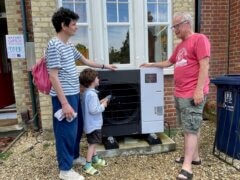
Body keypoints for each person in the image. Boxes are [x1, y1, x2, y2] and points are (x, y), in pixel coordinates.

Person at [46, 7, 116, 180]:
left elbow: (85, 61)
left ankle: (75, 156)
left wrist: (105, 66)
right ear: (64, 25)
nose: (77, 27)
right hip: (63, 97)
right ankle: (65, 169)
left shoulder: (69, 45)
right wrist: (64, 103)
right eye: (74, 24)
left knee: (76, 130)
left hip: (75, 95)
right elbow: (53, 77)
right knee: (65, 132)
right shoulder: (54, 45)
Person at [140, 12, 210, 180]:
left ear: (186, 24)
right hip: (180, 93)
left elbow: (205, 65)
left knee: (190, 128)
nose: (174, 30)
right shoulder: (180, 47)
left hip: (192, 93)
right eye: (173, 27)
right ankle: (195, 157)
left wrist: (199, 90)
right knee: (190, 126)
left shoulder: (199, 39)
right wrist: (151, 64)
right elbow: (168, 62)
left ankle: (187, 167)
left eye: (176, 26)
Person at [80, 68, 109, 175]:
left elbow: (91, 106)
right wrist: (103, 105)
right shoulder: (92, 94)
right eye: (97, 77)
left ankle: (95, 159)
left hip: (89, 124)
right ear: (92, 81)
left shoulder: (87, 93)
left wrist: (101, 101)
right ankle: (87, 165)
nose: (98, 79)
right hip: (93, 125)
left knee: (93, 142)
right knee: (92, 144)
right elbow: (94, 110)